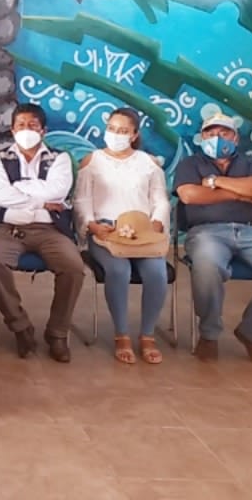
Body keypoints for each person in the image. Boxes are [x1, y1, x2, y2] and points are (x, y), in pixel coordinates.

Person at [174, 110, 252, 368]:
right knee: (207, 263)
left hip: (251, 232)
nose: (217, 138)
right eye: (210, 133)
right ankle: (209, 334)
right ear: (202, 138)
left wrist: (214, 181)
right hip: (206, 231)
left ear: (236, 138)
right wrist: (239, 194)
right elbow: (189, 195)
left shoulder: (251, 162)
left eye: (224, 132)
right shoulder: (190, 164)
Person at [0, 103, 84, 363]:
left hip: (50, 229)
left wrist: (18, 189)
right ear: (12, 130)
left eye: (32, 125)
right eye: (21, 125)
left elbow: (58, 192)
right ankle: (20, 326)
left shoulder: (59, 158)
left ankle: (57, 333)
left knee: (73, 267)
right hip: (8, 228)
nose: (26, 130)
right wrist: (40, 200)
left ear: (43, 130)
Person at [73, 107, 170, 364]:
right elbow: (81, 200)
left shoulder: (149, 163)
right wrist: (92, 225)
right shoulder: (92, 161)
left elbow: (160, 200)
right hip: (106, 231)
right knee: (119, 270)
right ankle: (122, 334)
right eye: (112, 129)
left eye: (123, 130)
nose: (116, 134)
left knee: (157, 273)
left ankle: (148, 335)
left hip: (143, 231)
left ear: (134, 135)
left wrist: (157, 222)